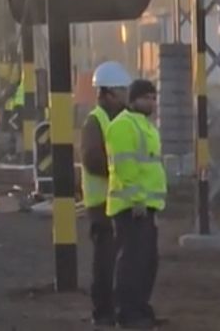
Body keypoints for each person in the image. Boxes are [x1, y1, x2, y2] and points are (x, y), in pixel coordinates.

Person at [106, 78, 165, 329]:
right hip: (131, 208)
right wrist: (138, 201)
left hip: (147, 207)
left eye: (154, 97)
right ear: (133, 100)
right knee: (132, 262)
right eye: (146, 98)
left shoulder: (147, 127)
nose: (152, 102)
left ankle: (141, 308)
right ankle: (127, 313)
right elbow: (125, 167)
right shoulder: (123, 126)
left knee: (148, 262)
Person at [82, 61, 133, 327]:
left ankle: (112, 308)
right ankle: (102, 312)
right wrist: (120, 173)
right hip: (101, 203)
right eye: (122, 91)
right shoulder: (96, 121)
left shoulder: (118, 119)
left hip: (116, 201)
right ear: (109, 93)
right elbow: (92, 159)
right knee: (104, 260)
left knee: (115, 259)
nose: (126, 96)